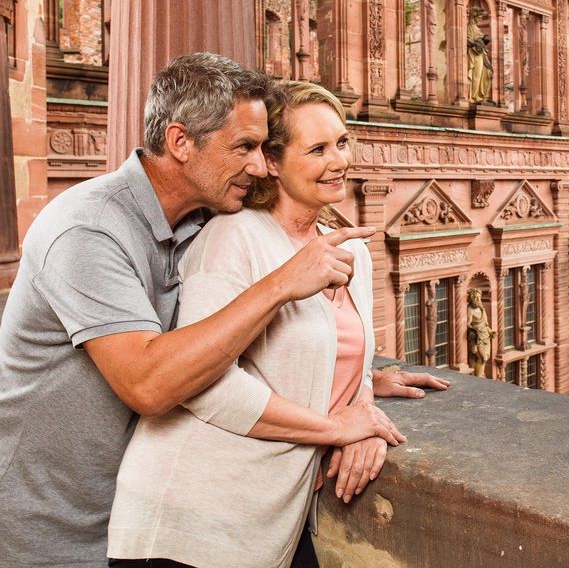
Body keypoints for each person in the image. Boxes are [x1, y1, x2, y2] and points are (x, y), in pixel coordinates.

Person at [0, 53, 435, 568]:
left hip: (130, 500)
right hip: (49, 524)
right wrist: (283, 288)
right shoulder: (87, 230)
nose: (259, 166)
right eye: (245, 147)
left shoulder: (203, 217)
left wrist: (353, 377)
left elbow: (232, 341)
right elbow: (149, 384)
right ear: (181, 142)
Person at [107, 80, 400, 567]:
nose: (339, 160)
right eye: (318, 150)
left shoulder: (352, 249)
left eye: (342, 142)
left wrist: (366, 412)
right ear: (274, 163)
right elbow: (206, 388)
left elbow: (346, 361)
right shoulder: (233, 236)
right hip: (186, 519)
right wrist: (334, 429)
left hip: (270, 521)